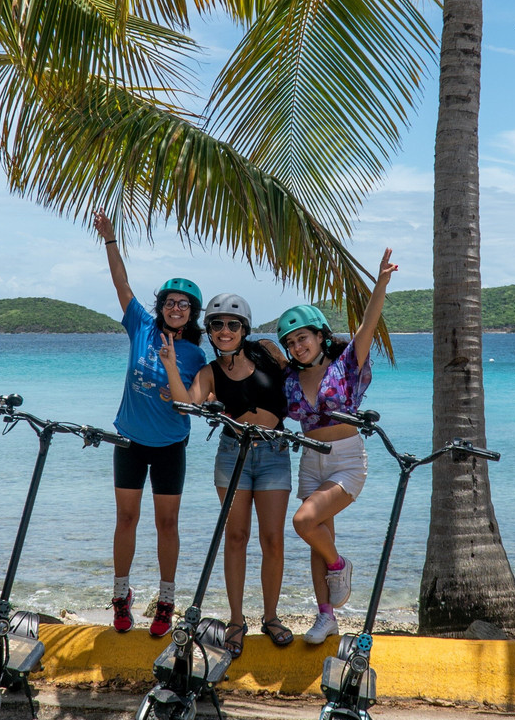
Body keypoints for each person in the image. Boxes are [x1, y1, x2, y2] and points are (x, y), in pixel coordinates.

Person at [94, 208, 207, 637]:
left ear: (192, 312)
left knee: (167, 524)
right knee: (126, 519)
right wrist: (110, 239)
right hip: (129, 440)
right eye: (170, 302)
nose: (176, 308)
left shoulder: (198, 356)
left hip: (170, 447)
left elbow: (189, 406)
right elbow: (121, 283)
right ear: (161, 306)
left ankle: (166, 602)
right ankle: (121, 597)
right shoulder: (141, 325)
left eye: (185, 305)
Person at [161, 293, 294, 658]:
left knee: (272, 539)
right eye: (217, 324)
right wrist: (171, 365)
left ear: (244, 329)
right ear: (209, 329)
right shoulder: (209, 372)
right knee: (235, 537)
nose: (225, 331)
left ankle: (270, 616)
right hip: (232, 455)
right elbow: (185, 404)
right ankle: (236, 620)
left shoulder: (267, 351)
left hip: (274, 454)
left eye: (233, 325)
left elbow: (301, 375)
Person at [278, 249, 398, 644]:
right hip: (310, 461)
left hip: (346, 459)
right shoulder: (291, 380)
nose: (298, 346)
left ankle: (340, 564)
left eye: (304, 338)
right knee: (315, 533)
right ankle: (326, 616)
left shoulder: (345, 364)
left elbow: (367, 324)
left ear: (320, 335)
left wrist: (379, 283)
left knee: (302, 522)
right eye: (291, 342)